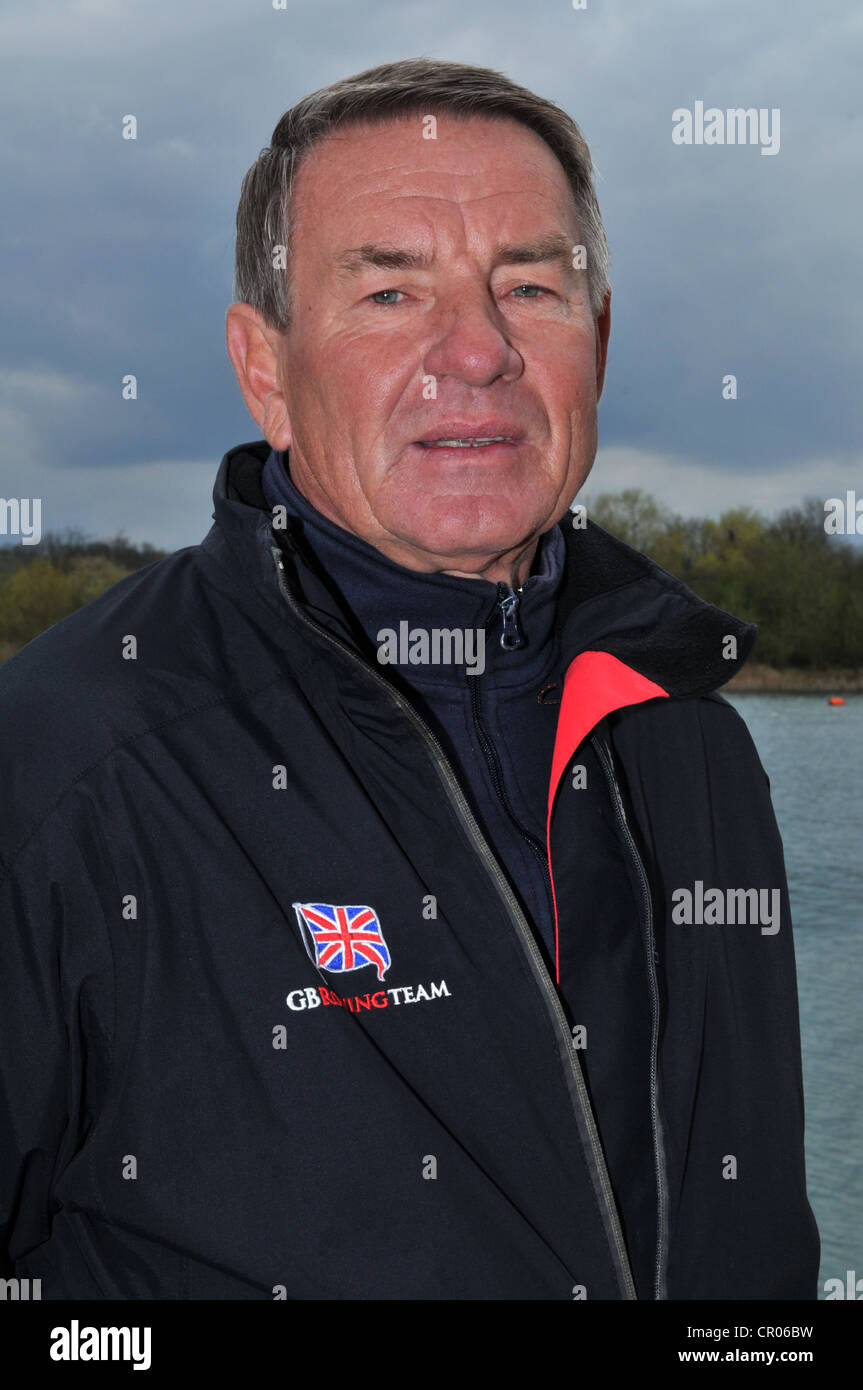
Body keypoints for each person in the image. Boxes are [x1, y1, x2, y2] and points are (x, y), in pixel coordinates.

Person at [0, 57, 819, 1300]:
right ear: (265, 369)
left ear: (595, 341)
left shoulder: (687, 735)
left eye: (530, 286)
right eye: (390, 292)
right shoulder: (67, 761)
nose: (477, 354)